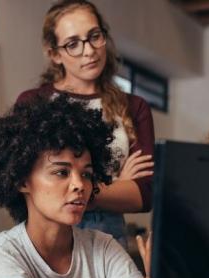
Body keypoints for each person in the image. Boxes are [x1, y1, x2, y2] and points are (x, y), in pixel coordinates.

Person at [0, 94, 150, 278]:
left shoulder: (103, 246)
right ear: (22, 181)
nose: (79, 185)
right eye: (61, 172)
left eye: (87, 174)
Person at [16, 0, 155, 248]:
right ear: (54, 54)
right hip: (45, 239)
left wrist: (65, 189)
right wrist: (116, 187)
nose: (89, 50)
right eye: (73, 44)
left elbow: (144, 196)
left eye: (94, 36)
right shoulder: (34, 102)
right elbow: (19, 180)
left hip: (110, 239)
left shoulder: (134, 107)